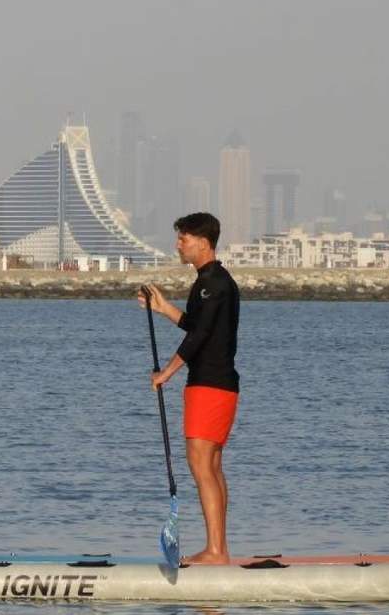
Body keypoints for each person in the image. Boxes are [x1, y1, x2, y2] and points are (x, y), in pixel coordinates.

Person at [138, 212, 241, 566]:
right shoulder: (212, 282)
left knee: (201, 464)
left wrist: (165, 373)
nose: (178, 245)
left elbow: (199, 337)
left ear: (204, 242)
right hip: (219, 384)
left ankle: (215, 551)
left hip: (210, 385)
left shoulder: (213, 283)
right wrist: (165, 308)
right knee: (211, 465)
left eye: (184, 239)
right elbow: (197, 326)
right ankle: (219, 549)